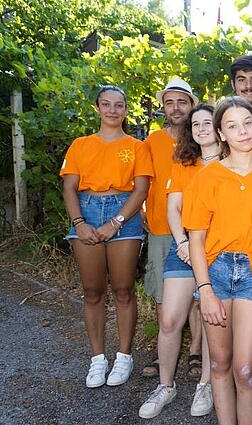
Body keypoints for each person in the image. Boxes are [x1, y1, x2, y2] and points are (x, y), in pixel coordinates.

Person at [184, 97, 252, 425]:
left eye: (248, 123)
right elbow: (196, 239)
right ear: (221, 134)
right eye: (232, 126)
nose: (242, 131)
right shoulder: (207, 177)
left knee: (247, 370)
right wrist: (205, 290)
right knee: (220, 364)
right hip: (218, 272)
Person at [60, 85, 152, 388]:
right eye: (106, 104)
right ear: (97, 108)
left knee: (123, 289)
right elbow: (70, 187)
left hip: (123, 212)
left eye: (119, 105)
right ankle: (97, 359)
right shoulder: (80, 145)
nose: (113, 110)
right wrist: (80, 222)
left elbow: (141, 189)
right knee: (92, 291)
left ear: (126, 110)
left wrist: (116, 221)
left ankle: (123, 356)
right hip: (86, 211)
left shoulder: (137, 146)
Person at [138, 103, 219, 419]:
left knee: (213, 321)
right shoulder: (184, 163)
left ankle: (206, 383)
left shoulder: (232, 162)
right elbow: (174, 209)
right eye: (195, 124)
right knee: (170, 319)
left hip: (219, 251)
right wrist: (183, 242)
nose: (200, 128)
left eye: (207, 122)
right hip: (184, 249)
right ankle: (165, 386)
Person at [142, 77, 204, 379]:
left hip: (198, 229)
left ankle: (195, 351)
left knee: (198, 295)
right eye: (170, 102)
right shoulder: (153, 140)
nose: (176, 107)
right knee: (163, 295)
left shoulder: (203, 139)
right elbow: (144, 180)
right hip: (160, 225)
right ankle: (162, 352)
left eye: (182, 101)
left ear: (192, 104)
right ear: (163, 107)